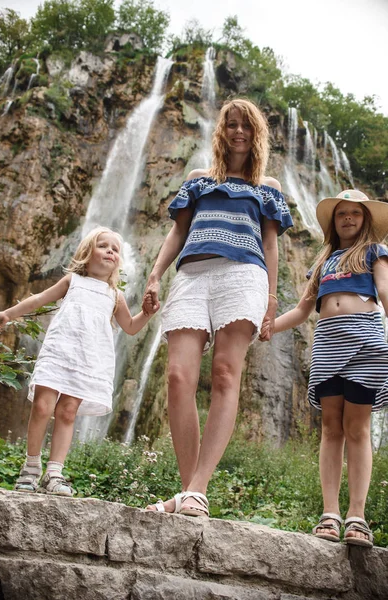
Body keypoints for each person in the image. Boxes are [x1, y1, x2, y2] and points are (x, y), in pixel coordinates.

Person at [143, 98, 293, 517]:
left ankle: (197, 489)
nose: (238, 131)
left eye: (246, 125)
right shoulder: (199, 179)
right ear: (221, 131)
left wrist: (271, 300)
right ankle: (190, 489)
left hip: (244, 275)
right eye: (231, 124)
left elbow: (270, 244)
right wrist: (155, 274)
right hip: (193, 273)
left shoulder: (269, 187)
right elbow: (178, 232)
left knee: (226, 373)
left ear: (256, 132)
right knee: (177, 377)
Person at [0, 227, 156, 496]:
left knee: (67, 412)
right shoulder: (72, 281)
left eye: (115, 249)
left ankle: (54, 473)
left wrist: (146, 313)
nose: (110, 251)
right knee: (42, 407)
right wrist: (7, 314)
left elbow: (131, 327)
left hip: (89, 360)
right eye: (103, 246)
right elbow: (39, 299)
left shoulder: (115, 295)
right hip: (60, 351)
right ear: (87, 253)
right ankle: (31, 468)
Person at [264, 189, 388, 547]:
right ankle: (330, 514)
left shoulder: (374, 252)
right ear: (333, 222)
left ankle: (357, 517)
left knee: (358, 429)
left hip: (365, 340)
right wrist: (270, 325)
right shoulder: (323, 261)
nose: (348, 218)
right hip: (328, 342)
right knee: (331, 429)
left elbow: (385, 291)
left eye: (355, 213)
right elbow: (303, 310)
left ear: (366, 220)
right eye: (341, 214)